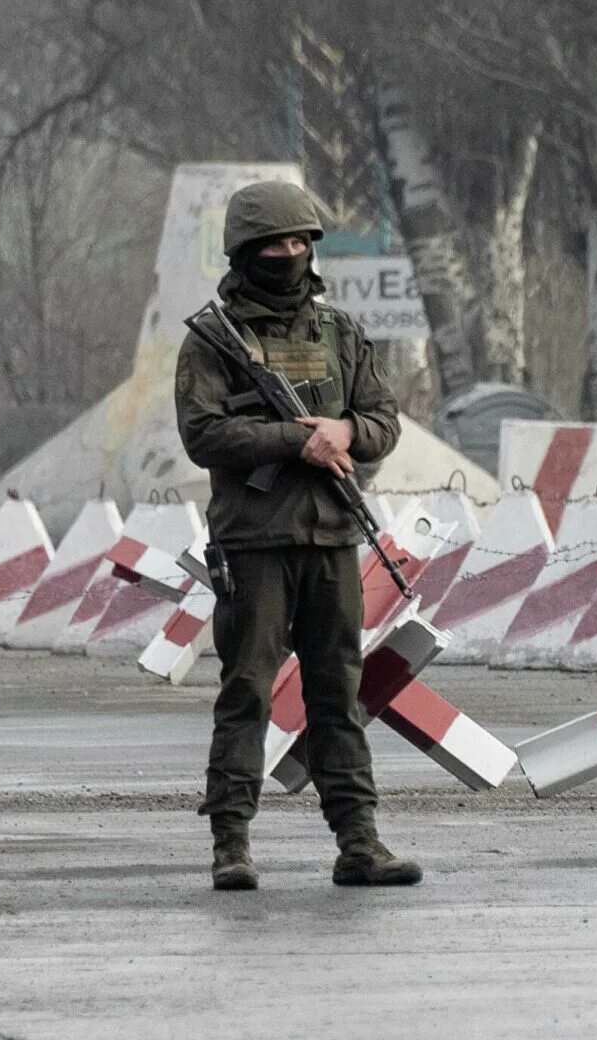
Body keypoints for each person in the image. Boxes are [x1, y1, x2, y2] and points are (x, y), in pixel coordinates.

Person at [173, 180, 422, 891]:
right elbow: (203, 433)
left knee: (337, 695)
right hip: (254, 542)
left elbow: (382, 420)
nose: (289, 254)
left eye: (299, 242)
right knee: (247, 690)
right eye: (275, 244)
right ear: (246, 252)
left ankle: (359, 841)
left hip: (331, 540)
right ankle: (231, 842)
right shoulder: (214, 340)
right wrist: (293, 441)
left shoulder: (340, 332)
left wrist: (346, 432)